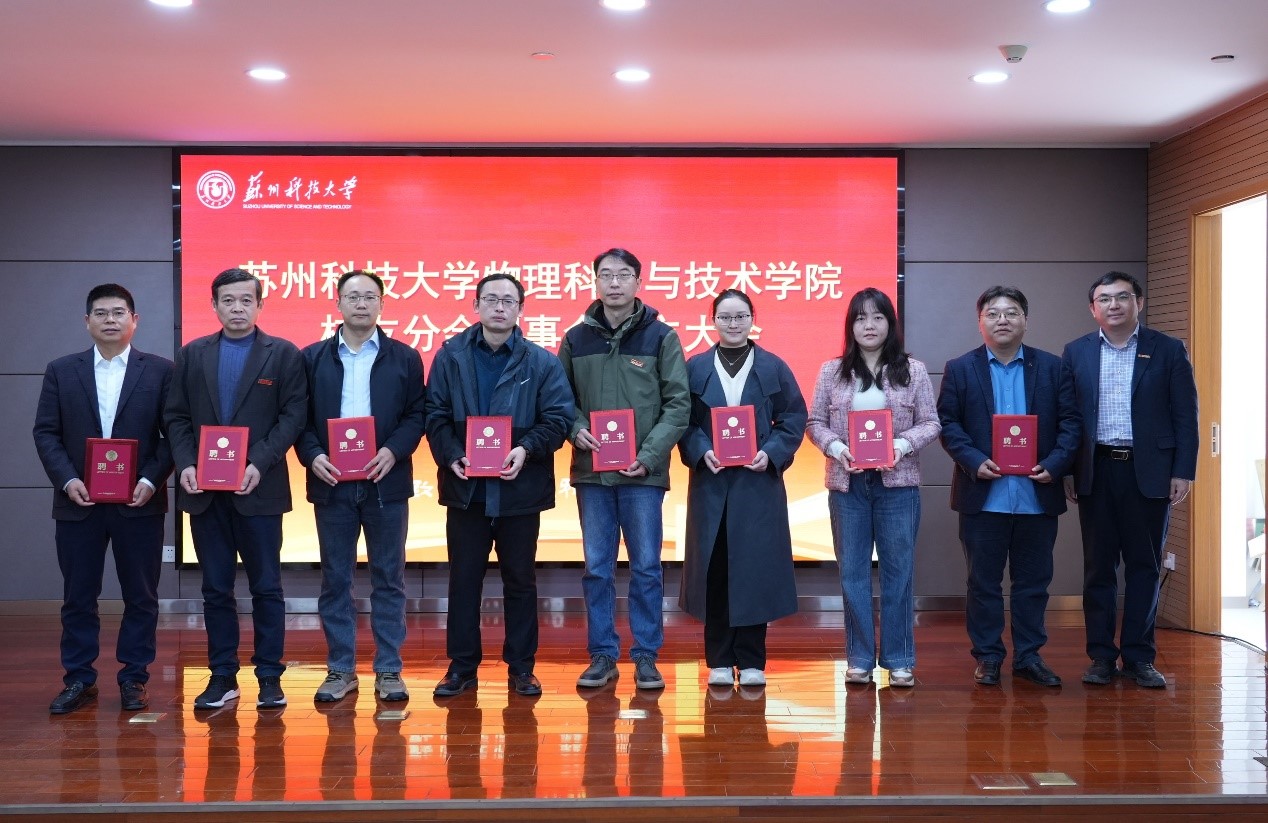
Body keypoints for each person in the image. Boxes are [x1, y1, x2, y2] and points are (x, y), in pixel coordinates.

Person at [164, 268, 307, 709]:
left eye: (246, 300)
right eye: (228, 300)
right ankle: (222, 675)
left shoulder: (283, 354)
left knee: (267, 587)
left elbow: (293, 417)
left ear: (260, 305)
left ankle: (269, 676)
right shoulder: (193, 354)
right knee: (215, 588)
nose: (237, 308)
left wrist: (257, 462)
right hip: (204, 493)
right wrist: (186, 463)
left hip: (258, 489)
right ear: (214, 305)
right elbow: (176, 416)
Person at [424, 273, 573, 697]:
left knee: (520, 581)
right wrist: (452, 454)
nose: (499, 307)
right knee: (463, 581)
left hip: (520, 490)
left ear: (521, 309)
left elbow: (559, 418)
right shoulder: (451, 356)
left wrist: (526, 448)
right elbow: (434, 414)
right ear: (476, 306)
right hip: (466, 490)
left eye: (508, 301)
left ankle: (522, 667)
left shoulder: (541, 362)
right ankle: (461, 668)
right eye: (491, 299)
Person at [33, 284, 174, 714]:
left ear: (135, 320)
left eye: (118, 312)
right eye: (101, 313)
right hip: (79, 502)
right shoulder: (62, 370)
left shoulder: (161, 371)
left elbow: (173, 435)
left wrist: (150, 479)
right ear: (87, 321)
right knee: (78, 596)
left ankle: (134, 678)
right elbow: (46, 433)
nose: (110, 320)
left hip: (139, 502)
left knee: (141, 596)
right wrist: (67, 479)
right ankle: (79, 679)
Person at [559, 248, 690, 690]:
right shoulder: (576, 339)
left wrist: (648, 455)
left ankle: (647, 656)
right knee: (597, 568)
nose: (614, 282)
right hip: (592, 473)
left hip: (642, 475)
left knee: (647, 567)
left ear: (638, 282)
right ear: (595, 281)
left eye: (623, 275)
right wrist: (576, 429)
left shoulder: (662, 338)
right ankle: (602, 655)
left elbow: (678, 404)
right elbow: (560, 400)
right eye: (605, 275)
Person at [937, 286, 1080, 687]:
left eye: (1012, 312)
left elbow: (1071, 423)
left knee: (1033, 583)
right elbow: (948, 423)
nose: (1003, 319)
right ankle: (987, 656)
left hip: (1037, 494)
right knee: (982, 583)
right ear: (980, 321)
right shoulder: (960, 368)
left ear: (1025, 321)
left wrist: (1056, 464)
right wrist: (972, 461)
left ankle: (1029, 656)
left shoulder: (1052, 367)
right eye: (993, 313)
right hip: (983, 497)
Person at [1061, 271, 1198, 688]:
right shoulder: (1076, 352)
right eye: (1104, 299)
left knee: (1145, 566)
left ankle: (1139, 656)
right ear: (1093, 308)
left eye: (1122, 297)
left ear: (1139, 302)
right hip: (1096, 469)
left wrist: (1183, 471)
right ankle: (1101, 656)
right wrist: (1068, 469)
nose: (1114, 305)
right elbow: (1067, 417)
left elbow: (1186, 415)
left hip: (1149, 471)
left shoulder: (1168, 349)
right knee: (1098, 569)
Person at [296, 269, 426, 704]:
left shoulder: (404, 357)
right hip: (332, 484)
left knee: (389, 578)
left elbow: (417, 415)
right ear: (337, 303)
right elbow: (299, 418)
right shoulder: (312, 358)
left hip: (385, 483)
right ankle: (340, 669)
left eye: (370, 296)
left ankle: (389, 670)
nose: (361, 304)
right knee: (336, 579)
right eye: (353, 296)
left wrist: (393, 450)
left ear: (382, 304)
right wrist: (313, 455)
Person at [806, 287, 940, 688]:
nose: (869, 325)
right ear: (851, 325)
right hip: (847, 484)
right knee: (853, 574)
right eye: (861, 317)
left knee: (898, 573)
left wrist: (901, 445)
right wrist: (837, 448)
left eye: (878, 317)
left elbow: (931, 423)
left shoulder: (913, 370)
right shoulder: (832, 371)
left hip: (897, 486)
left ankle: (899, 659)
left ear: (890, 324)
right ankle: (860, 658)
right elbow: (814, 423)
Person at [678, 289, 806, 687]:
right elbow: (681, 419)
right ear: (713, 321)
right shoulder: (695, 366)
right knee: (715, 568)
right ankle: (718, 659)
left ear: (752, 320)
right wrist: (701, 450)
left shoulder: (773, 366)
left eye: (741, 317)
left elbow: (793, 418)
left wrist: (771, 452)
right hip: (712, 484)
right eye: (725, 317)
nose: (733, 324)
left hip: (757, 484)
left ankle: (752, 660)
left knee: (754, 570)